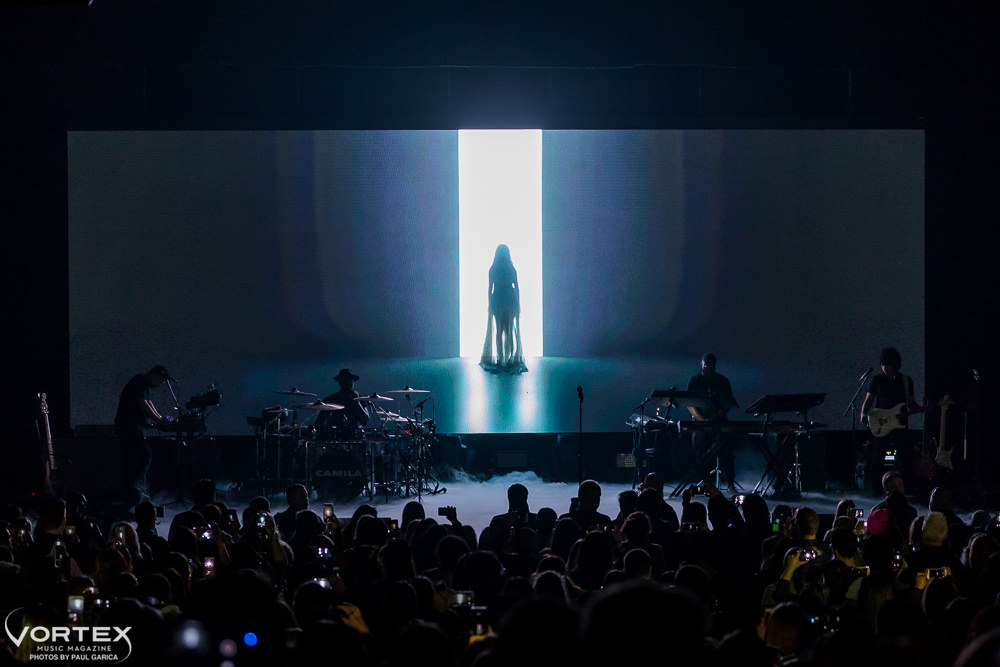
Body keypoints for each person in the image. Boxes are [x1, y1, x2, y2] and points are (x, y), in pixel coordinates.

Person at [860, 347, 922, 491]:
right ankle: (876, 488)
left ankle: (906, 489)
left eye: (886, 366)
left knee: (906, 458)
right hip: (881, 425)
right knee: (877, 458)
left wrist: (921, 408)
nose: (883, 368)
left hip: (900, 425)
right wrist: (864, 414)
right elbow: (868, 400)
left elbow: (911, 403)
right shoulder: (877, 379)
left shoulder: (906, 381)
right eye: (883, 365)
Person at [114, 365, 173, 503]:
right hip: (128, 427)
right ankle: (133, 490)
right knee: (143, 455)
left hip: (132, 428)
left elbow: (149, 403)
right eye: (160, 381)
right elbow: (144, 404)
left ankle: (132, 492)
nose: (159, 385)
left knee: (134, 459)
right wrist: (159, 420)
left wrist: (160, 419)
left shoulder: (143, 385)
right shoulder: (138, 383)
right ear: (155, 375)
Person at [686, 352, 737, 489]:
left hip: (719, 422)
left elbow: (728, 403)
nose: (709, 367)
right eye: (706, 365)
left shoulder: (722, 381)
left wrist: (715, 417)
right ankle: (706, 481)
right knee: (700, 452)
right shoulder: (694, 380)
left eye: (712, 365)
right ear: (701, 364)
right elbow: (689, 404)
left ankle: (731, 483)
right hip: (700, 423)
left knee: (726, 452)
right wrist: (702, 419)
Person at [480, 244, 526, 374]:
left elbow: (490, 288)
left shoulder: (493, 269)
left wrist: (489, 303)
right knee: (509, 330)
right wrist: (518, 303)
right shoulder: (511, 269)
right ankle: (509, 359)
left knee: (499, 331)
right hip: (510, 299)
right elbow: (516, 287)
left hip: (497, 300)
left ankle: (501, 360)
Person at [314, 368, 370, 440]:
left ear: (353, 382)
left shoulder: (360, 399)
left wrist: (356, 401)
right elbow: (319, 422)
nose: (348, 382)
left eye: (350, 380)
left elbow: (365, 421)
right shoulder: (331, 399)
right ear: (340, 382)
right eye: (345, 380)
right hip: (334, 438)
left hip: (355, 438)